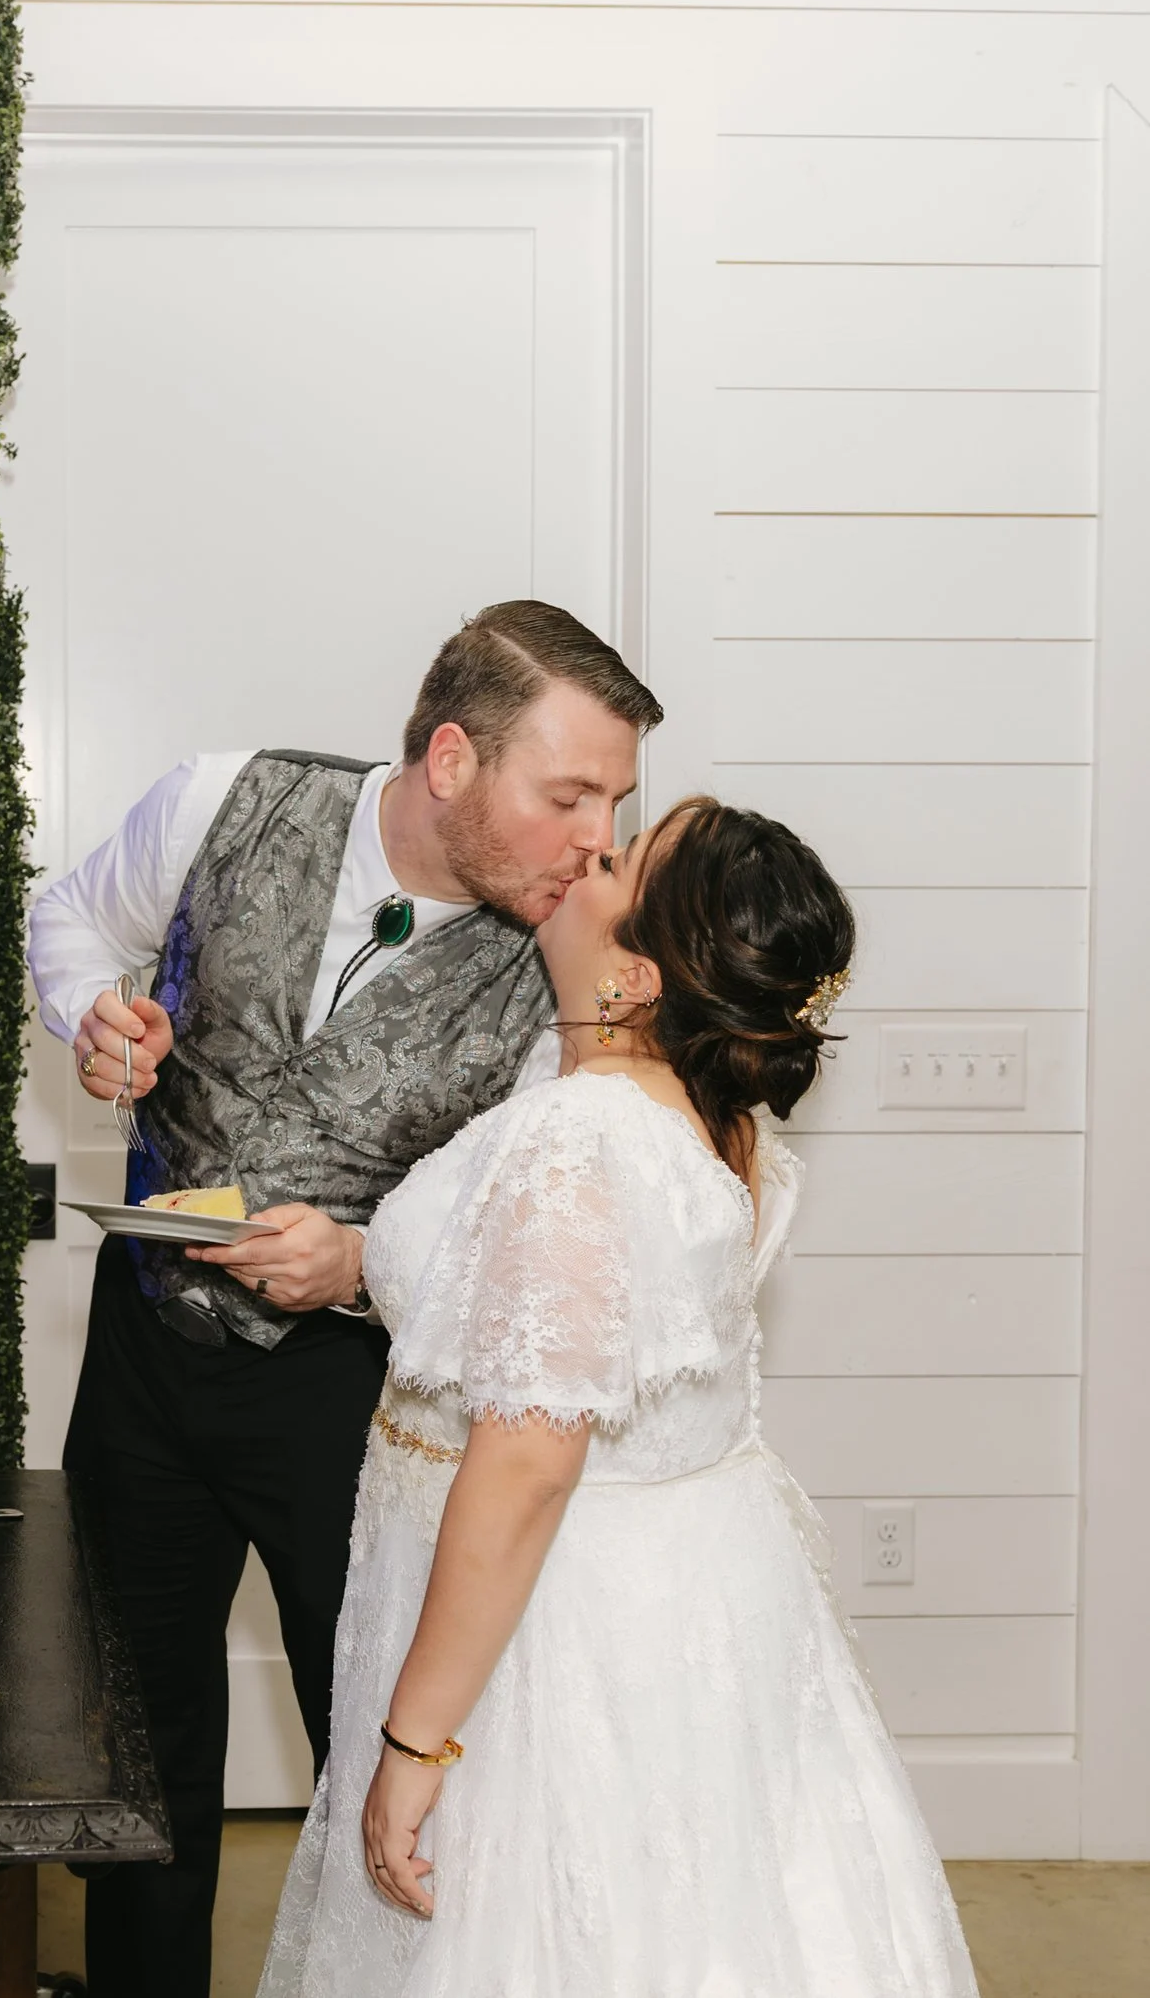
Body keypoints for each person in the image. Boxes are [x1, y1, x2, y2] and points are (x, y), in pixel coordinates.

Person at [26, 601, 661, 1998]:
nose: (595, 839)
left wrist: (360, 1267)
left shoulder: (564, 963)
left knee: (372, 1740)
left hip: (359, 1407)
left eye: (614, 803)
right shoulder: (217, 798)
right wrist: (91, 1015)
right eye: (568, 795)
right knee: (138, 1748)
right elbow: (66, 916)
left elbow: (526, 1245)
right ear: (453, 759)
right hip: (141, 1365)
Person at [257, 799, 978, 1996]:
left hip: (553, 1639)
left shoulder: (580, 1134)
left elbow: (529, 1459)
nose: (586, 852)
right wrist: (352, 1265)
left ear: (636, 974)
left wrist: (415, 1740)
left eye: (619, 859)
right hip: (694, 1609)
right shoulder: (702, 1116)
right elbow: (561, 1317)